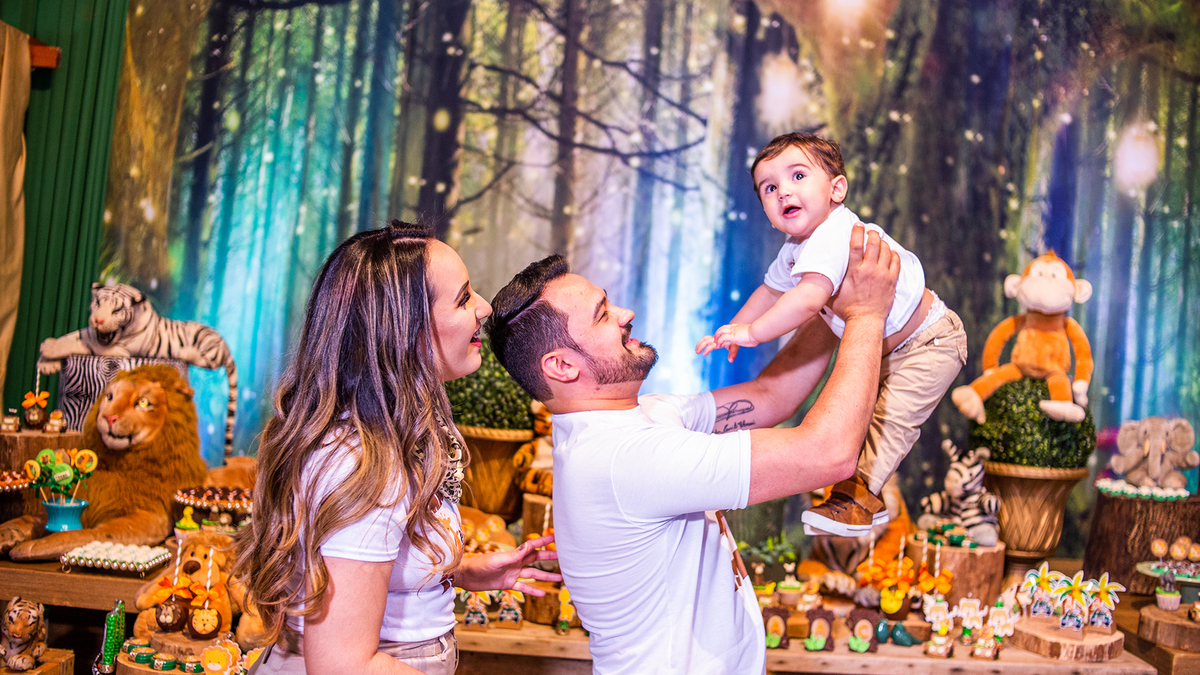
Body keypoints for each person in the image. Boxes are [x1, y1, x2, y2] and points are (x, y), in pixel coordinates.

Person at [486, 225, 899, 674]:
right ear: (563, 366)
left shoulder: (640, 417)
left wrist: (828, 300)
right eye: (603, 315)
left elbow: (770, 397)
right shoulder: (624, 460)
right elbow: (828, 454)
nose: (625, 313)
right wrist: (865, 315)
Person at [234, 223, 560, 675]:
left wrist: (460, 570)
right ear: (405, 330)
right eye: (463, 298)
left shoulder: (391, 436)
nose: (484, 307)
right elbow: (343, 667)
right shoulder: (361, 466)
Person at [696, 132, 968, 537]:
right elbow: (770, 291)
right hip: (888, 350)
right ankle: (867, 499)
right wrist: (733, 329)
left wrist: (752, 333)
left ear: (836, 189)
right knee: (858, 416)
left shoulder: (832, 235)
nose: (783, 191)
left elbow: (807, 300)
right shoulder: (795, 249)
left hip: (930, 344)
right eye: (769, 188)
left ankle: (859, 498)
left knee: (890, 422)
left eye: (798, 176)